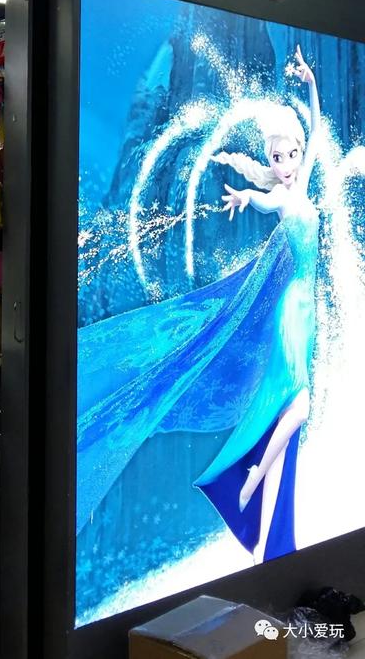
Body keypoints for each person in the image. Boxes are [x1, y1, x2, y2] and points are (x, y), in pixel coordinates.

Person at [77, 45, 321, 566]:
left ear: (300, 154)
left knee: (289, 417)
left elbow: (317, 127)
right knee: (298, 405)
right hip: (289, 316)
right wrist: (243, 197)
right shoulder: (282, 199)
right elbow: (261, 200)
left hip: (306, 313)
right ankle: (249, 478)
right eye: (275, 158)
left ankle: (268, 542)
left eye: (289, 155)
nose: (283, 165)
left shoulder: (301, 187)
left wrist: (309, 81)